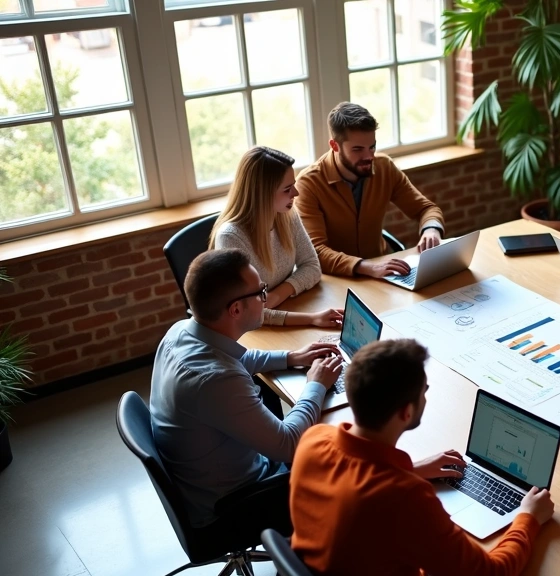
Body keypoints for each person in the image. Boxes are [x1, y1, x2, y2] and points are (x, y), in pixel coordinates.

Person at [290, 339, 555, 576]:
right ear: (405, 412)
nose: (426, 396)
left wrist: (409, 468)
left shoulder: (314, 440)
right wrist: (528, 518)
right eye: (424, 391)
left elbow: (355, 482)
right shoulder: (404, 496)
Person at [150, 249, 343, 527]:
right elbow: (287, 445)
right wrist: (316, 385)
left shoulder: (182, 331)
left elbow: (236, 358)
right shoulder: (217, 381)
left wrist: (291, 357)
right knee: (343, 459)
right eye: (261, 292)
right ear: (236, 309)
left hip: (203, 480)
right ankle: (310, 562)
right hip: (236, 504)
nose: (266, 299)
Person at [295, 102, 446, 277]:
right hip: (336, 279)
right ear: (335, 145)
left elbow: (426, 209)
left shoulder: (384, 167)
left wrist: (431, 229)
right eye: (358, 149)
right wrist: (366, 266)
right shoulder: (308, 184)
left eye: (372, 146)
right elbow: (316, 252)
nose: (369, 156)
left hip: (383, 271)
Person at [210, 146, 343, 327]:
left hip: (285, 309)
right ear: (262, 194)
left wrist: (277, 295)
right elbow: (246, 314)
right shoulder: (231, 237)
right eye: (287, 189)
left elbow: (312, 266)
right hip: (249, 332)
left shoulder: (287, 214)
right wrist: (311, 319)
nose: (295, 193)